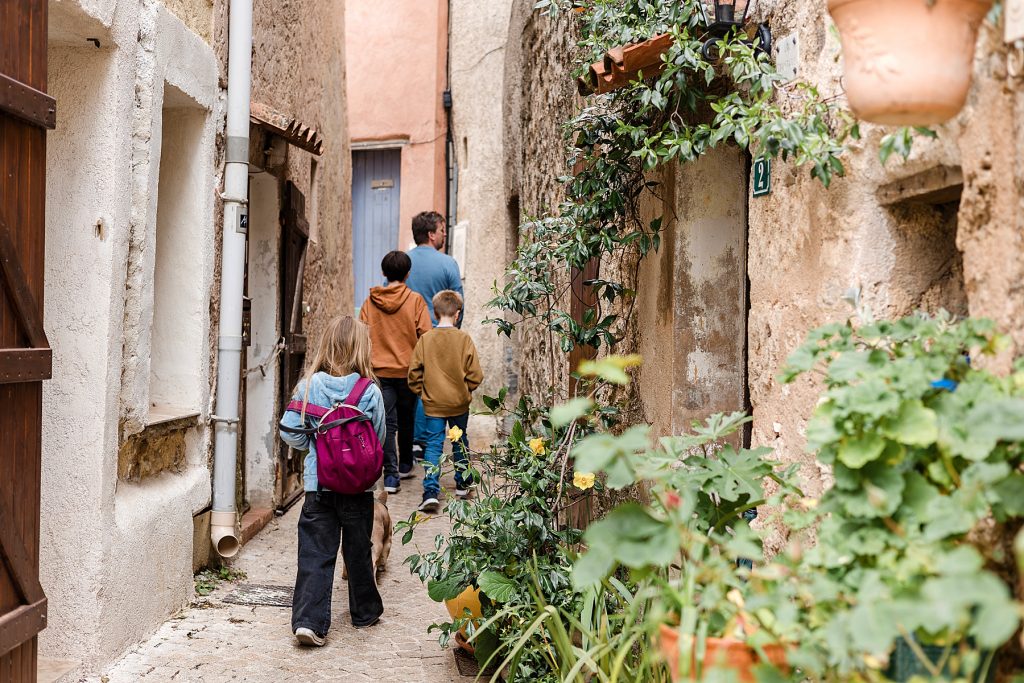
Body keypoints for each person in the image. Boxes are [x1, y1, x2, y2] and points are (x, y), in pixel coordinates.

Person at [279, 316, 386, 647]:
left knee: (315, 551)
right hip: (358, 489)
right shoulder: (369, 391)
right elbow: (379, 436)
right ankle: (365, 611)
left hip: (318, 485)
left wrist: (315, 443)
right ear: (361, 348)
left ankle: (310, 621)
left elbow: (288, 431)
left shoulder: (309, 386)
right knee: (358, 549)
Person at [358, 250, 431, 494]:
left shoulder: (370, 302)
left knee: (387, 422)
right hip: (408, 371)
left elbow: (361, 336)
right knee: (407, 416)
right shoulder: (416, 301)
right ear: (408, 274)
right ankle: (405, 464)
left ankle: (390, 476)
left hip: (379, 371)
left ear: (383, 273)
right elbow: (426, 336)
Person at [407, 290, 484, 513]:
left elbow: (413, 375)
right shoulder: (464, 339)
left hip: (433, 404)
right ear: (457, 314)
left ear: (435, 312)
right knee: (460, 441)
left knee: (433, 444)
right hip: (459, 403)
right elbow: (475, 375)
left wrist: (423, 392)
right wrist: (464, 390)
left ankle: (430, 491)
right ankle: (462, 482)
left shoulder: (426, 340)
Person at [405, 211, 465, 458]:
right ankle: (428, 439)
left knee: (412, 387)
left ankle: (415, 442)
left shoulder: (404, 262)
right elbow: (460, 303)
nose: (444, 235)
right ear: (431, 234)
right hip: (440, 337)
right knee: (435, 387)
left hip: (408, 336)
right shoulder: (448, 264)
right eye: (442, 230)